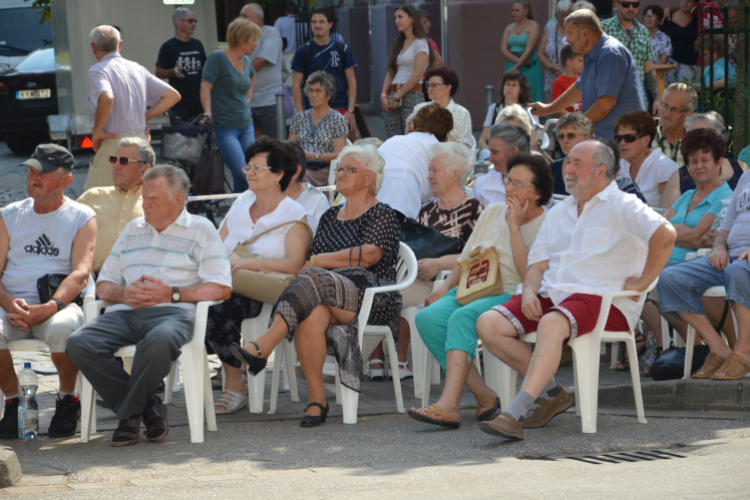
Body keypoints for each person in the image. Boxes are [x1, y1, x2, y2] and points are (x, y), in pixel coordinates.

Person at [475, 141, 675, 441]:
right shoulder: (560, 211)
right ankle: (552, 393)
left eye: (576, 164)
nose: (568, 169)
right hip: (554, 295)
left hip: (606, 301)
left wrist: (644, 281)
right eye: (567, 162)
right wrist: (529, 292)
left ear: (600, 171)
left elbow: (666, 233)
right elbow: (537, 265)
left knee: (552, 323)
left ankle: (515, 412)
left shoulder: (623, 204)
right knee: (488, 324)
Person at [229, 145, 402, 427]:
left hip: (369, 295)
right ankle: (317, 400)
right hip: (326, 294)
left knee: (316, 275)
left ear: (370, 178)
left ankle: (266, 343)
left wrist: (321, 260)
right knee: (312, 314)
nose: (341, 173)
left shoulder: (383, 213)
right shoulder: (330, 217)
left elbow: (369, 256)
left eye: (349, 169)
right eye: (340, 168)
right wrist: (317, 262)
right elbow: (308, 265)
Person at [66, 165, 232, 447]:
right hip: (126, 312)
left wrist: (172, 293)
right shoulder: (133, 229)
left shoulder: (201, 229)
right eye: (143, 197)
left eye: (153, 198)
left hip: (174, 313)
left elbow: (221, 287)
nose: (144, 204)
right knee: (79, 343)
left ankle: (129, 416)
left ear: (178, 200)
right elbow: (104, 284)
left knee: (158, 340)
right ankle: (147, 407)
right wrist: (124, 294)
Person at [408, 154, 552, 428]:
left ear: (537, 193)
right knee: (428, 318)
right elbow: (467, 258)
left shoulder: (546, 223)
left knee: (461, 319)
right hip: (475, 287)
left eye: (519, 184)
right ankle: (484, 393)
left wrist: (514, 228)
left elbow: (528, 276)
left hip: (514, 292)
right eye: (509, 180)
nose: (510, 188)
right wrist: (446, 287)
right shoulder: (493, 211)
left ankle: (449, 405)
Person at [207, 138, 313, 414]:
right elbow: (218, 243)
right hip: (227, 281)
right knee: (197, 301)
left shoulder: (293, 213)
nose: (250, 173)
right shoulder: (242, 204)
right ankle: (231, 368)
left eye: (258, 168)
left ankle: (235, 384)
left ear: (278, 174)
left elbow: (295, 264)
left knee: (217, 307)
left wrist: (247, 265)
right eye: (248, 168)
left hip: (263, 288)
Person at [0, 144, 96, 439]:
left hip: (57, 305)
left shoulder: (81, 216)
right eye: (30, 170)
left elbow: (81, 273)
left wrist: (51, 307)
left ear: (66, 180)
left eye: (42, 172)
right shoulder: (9, 215)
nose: (33, 176)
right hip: (10, 307)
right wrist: (7, 303)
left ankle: (68, 398)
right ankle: (14, 401)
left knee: (64, 329)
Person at [370, 142, 482, 381]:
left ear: (455, 174)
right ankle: (382, 358)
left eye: (434, 170)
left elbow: (477, 256)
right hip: (416, 279)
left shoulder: (473, 209)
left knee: (379, 298)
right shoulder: (426, 209)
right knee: (374, 291)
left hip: (450, 284)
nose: (428, 176)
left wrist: (439, 264)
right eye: (429, 170)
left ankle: (362, 357)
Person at [635, 128, 732, 364]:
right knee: (636, 283)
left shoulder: (724, 196)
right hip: (662, 264)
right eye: (693, 161)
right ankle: (699, 350)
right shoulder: (687, 196)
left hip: (689, 264)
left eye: (705, 160)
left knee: (657, 284)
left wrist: (671, 232)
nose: (698, 166)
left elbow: (695, 237)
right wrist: (679, 233)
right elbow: (656, 230)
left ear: (719, 162)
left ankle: (707, 348)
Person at [656, 169, 750, 380]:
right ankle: (717, 347)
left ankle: (743, 351)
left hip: (743, 263)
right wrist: (719, 248)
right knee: (670, 277)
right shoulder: (746, 176)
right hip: (731, 255)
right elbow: (725, 229)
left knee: (737, 271)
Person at [85, 25, 180, 191]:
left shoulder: (98, 70)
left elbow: (107, 98)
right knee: (140, 195)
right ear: (120, 45)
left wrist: (97, 130)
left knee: (95, 197)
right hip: (140, 142)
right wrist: (146, 117)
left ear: (93, 47)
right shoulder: (137, 68)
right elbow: (173, 96)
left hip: (115, 146)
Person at [529, 9, 645, 141]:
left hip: (623, 141)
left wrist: (578, 128)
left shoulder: (610, 53)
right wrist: (548, 108)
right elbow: (579, 88)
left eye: (569, 33)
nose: (567, 39)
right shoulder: (591, 53)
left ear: (584, 33)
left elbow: (606, 102)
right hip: (607, 139)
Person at [77, 137, 153, 275]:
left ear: (145, 169)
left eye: (123, 161)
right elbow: (62, 234)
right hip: (91, 280)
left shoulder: (156, 203)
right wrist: (78, 265)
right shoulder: (92, 196)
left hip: (139, 282)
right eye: (114, 159)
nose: (116, 166)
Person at [200, 18, 259, 193]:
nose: (256, 45)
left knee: (245, 173)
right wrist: (207, 111)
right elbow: (205, 86)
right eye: (253, 40)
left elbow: (253, 75)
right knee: (244, 173)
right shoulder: (218, 58)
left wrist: (249, 96)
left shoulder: (246, 61)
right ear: (242, 41)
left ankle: (241, 214)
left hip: (246, 124)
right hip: (225, 128)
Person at [377, 104, 453, 219]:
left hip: (363, 204)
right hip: (398, 210)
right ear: (446, 133)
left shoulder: (393, 139)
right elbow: (443, 191)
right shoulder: (436, 149)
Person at [291, 7, 357, 141]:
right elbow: (296, 84)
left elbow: (351, 81)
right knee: (318, 149)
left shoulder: (342, 48)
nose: (317, 25)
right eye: (314, 22)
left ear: (330, 24)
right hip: (313, 109)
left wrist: (350, 111)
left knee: (345, 152)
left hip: (341, 107)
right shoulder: (303, 51)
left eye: (321, 21)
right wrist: (300, 114)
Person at [661, 111, 748, 207]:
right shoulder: (679, 177)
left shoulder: (741, 169)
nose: (695, 144)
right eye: (690, 139)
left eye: (702, 139)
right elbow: (665, 217)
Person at [289, 71, 348, 188]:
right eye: (311, 90)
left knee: (296, 178)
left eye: (318, 91)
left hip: (322, 169)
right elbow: (289, 147)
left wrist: (313, 156)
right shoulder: (299, 118)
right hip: (298, 166)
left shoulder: (337, 120)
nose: (313, 95)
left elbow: (339, 154)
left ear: (328, 95)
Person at [381, 5, 432, 138]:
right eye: (395, 18)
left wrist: (397, 96)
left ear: (411, 19)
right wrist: (383, 94)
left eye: (400, 17)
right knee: (393, 140)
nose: (396, 21)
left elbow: (417, 75)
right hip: (392, 95)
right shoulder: (397, 42)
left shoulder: (421, 43)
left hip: (412, 95)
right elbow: (391, 72)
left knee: (411, 138)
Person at [601, 0, 661, 113]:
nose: (631, 8)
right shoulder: (604, 28)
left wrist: (657, 99)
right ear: (616, 4)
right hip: (611, 99)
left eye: (635, 4)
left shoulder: (643, 31)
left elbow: (648, 67)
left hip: (639, 98)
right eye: (626, 4)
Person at [614, 110, 678, 208]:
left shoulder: (663, 166)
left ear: (646, 140)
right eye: (619, 138)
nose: (622, 143)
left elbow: (670, 211)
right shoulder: (619, 165)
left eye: (629, 138)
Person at [155, 7, 207, 124]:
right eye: (190, 21)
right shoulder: (168, 46)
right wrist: (172, 72)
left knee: (201, 138)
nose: (193, 24)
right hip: (179, 104)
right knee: (180, 139)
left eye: (195, 21)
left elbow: (205, 68)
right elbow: (158, 73)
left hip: (199, 101)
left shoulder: (197, 44)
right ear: (178, 22)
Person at [241, 4, 285, 138]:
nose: (240, 19)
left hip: (270, 100)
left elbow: (263, 59)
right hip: (247, 100)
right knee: (254, 147)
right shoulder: (242, 36)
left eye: (244, 16)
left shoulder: (271, 32)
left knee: (274, 146)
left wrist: (239, 75)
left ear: (257, 18)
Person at [478, 71, 540, 158]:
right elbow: (482, 140)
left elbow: (532, 142)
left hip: (519, 154)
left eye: (514, 85)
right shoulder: (494, 109)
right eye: (507, 84)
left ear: (521, 89)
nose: (509, 88)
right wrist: (491, 153)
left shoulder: (529, 110)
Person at [407, 67, 472, 148]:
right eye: (428, 85)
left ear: (448, 87)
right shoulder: (419, 108)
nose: (429, 89)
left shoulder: (462, 113)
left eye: (434, 85)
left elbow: (464, 145)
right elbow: (409, 135)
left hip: (451, 158)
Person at [474, 124, 531, 208]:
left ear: (514, 152)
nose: (490, 158)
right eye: (490, 152)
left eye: (495, 152)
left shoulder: (536, 187)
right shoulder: (481, 184)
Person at [500, 0, 543, 103]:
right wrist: (516, 62)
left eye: (517, 10)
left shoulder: (533, 26)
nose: (514, 13)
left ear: (526, 11)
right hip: (513, 64)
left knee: (530, 98)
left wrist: (516, 68)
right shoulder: (509, 27)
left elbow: (529, 50)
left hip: (529, 67)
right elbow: (503, 50)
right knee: (510, 97)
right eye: (513, 10)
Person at [652, 83, 697, 170]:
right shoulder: (647, 140)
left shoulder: (695, 144)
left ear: (689, 114)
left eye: (675, 110)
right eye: (665, 105)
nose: (666, 113)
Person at [284, 141, 331, 223]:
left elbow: (319, 234)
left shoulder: (317, 200)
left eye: (275, 168)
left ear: (295, 172)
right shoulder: (261, 195)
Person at [549, 112, 594, 194]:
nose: (565, 140)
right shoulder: (550, 170)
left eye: (571, 135)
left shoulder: (598, 168)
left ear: (587, 138)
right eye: (561, 136)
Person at [538, 0, 573, 101]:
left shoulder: (577, 31)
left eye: (567, 15)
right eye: (561, 15)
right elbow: (540, 52)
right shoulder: (550, 29)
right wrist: (550, 66)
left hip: (572, 80)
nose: (564, 18)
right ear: (557, 15)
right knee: (552, 113)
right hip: (552, 79)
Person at [659, 0, 699, 84]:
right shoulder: (668, 17)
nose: (685, 2)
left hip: (689, 62)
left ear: (695, 4)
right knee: (668, 90)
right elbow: (659, 37)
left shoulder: (697, 19)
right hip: (669, 60)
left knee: (685, 91)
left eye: (690, 1)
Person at [418, 9, 444, 102]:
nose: (429, 25)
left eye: (428, 21)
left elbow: (440, 63)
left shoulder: (430, 42)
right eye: (425, 22)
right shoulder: (407, 43)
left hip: (426, 85)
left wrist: (422, 68)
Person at [551, 44, 584, 115]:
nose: (583, 64)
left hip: (581, 122)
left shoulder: (580, 79)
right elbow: (558, 108)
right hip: (567, 123)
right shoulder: (558, 82)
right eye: (580, 61)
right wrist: (573, 121)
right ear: (569, 62)